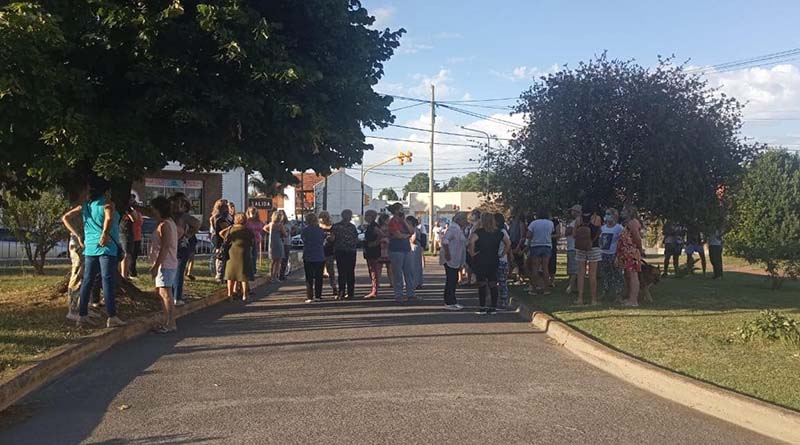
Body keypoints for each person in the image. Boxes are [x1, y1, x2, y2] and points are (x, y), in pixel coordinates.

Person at [69, 179, 126, 327]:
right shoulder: (108, 204)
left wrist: (78, 235)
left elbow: (65, 218)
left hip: (90, 247)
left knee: (87, 280)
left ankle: (82, 315)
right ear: (107, 191)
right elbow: (109, 217)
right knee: (107, 281)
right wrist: (105, 234)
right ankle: (112, 316)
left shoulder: (86, 206)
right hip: (107, 247)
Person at [61, 183, 102, 322]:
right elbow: (65, 218)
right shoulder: (79, 206)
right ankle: (72, 309)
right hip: (78, 243)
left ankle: (85, 306)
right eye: (87, 190)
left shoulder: (89, 205)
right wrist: (77, 234)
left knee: (87, 275)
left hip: (87, 242)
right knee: (77, 274)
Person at [469, 212, 510, 315]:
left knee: (482, 283)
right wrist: (503, 253)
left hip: (481, 259)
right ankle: (493, 307)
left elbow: (471, 241)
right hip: (494, 259)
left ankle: (482, 307)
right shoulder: (498, 233)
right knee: (493, 283)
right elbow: (508, 243)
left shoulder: (479, 232)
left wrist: (472, 253)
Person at [149, 196, 178, 333]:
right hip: (166, 263)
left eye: (153, 209)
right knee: (162, 293)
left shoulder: (165, 225)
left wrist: (156, 266)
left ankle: (170, 323)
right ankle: (166, 320)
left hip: (165, 264)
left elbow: (165, 247)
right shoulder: (169, 223)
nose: (152, 212)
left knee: (166, 294)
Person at [170, 194, 200, 307]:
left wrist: (188, 235)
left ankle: (175, 296)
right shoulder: (178, 216)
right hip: (176, 245)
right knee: (175, 270)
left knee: (176, 270)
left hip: (178, 245)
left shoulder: (180, 216)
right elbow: (197, 223)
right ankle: (174, 296)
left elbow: (196, 224)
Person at [387, 203, 416, 302]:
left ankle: (411, 293)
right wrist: (406, 235)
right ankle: (399, 294)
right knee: (398, 273)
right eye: (400, 209)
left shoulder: (404, 221)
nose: (402, 211)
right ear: (396, 211)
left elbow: (412, 231)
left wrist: (404, 221)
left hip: (406, 249)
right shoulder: (392, 222)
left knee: (409, 272)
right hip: (396, 250)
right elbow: (397, 235)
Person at [223, 212, 254, 302]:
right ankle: (245, 295)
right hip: (244, 253)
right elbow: (252, 242)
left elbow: (223, 236)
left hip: (231, 253)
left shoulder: (231, 229)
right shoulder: (247, 231)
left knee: (231, 275)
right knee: (244, 275)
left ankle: (230, 295)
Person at [617, 205, 644, 307]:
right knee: (628, 275)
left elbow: (637, 238)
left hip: (631, 252)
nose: (622, 212)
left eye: (624, 210)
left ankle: (633, 300)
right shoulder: (627, 223)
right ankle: (630, 297)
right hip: (626, 253)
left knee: (633, 276)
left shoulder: (633, 222)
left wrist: (640, 250)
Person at [574, 211, 602, 305]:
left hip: (580, 247)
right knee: (592, 274)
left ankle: (580, 298)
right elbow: (599, 232)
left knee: (581, 273)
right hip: (593, 247)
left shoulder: (578, 219)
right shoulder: (597, 218)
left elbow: (574, 234)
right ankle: (593, 299)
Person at [440, 212, 467, 310]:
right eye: (464, 219)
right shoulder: (453, 229)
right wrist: (447, 253)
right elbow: (445, 241)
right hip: (450, 259)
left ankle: (453, 300)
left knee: (454, 279)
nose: (465, 221)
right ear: (459, 220)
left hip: (456, 258)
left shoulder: (459, 229)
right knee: (451, 279)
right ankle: (449, 301)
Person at [331, 209, 359, 300]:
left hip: (341, 251)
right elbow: (356, 238)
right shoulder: (352, 227)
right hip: (349, 251)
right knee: (350, 272)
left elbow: (332, 238)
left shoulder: (336, 226)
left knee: (342, 272)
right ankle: (350, 293)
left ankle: (341, 293)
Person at [526, 208, 555, 295]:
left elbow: (528, 235)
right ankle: (546, 289)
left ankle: (534, 289)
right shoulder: (550, 223)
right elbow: (551, 232)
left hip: (536, 245)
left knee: (535, 267)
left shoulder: (534, 223)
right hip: (547, 245)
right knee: (545, 267)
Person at [599, 208, 625, 302]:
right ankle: (605, 293)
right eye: (606, 214)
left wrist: (618, 256)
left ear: (614, 216)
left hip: (614, 254)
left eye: (609, 214)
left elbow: (622, 242)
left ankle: (619, 295)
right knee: (605, 275)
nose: (607, 216)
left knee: (617, 275)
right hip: (604, 254)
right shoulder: (602, 228)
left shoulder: (619, 228)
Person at [301, 213, 326, 303]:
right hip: (319, 255)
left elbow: (304, 240)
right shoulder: (320, 230)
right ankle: (318, 295)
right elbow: (322, 240)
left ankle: (310, 296)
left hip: (308, 255)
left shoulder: (305, 230)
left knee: (309, 277)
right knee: (319, 277)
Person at [210, 199, 232, 282]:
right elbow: (224, 228)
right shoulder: (219, 218)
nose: (227, 208)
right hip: (220, 240)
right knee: (221, 257)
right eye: (225, 207)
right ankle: (219, 275)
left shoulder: (226, 217)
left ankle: (222, 275)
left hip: (222, 240)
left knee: (223, 257)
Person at [494, 213, 512, 309]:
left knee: (502, 282)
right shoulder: (494, 231)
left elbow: (508, 243)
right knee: (493, 282)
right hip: (494, 260)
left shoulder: (502, 232)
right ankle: (495, 300)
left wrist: (503, 253)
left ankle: (504, 301)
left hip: (501, 260)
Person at [318, 211, 338, 296]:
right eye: (321, 217)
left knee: (331, 271)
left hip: (329, 250)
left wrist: (331, 238)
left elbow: (334, 238)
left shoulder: (332, 227)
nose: (323, 219)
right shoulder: (317, 227)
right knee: (318, 272)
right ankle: (318, 291)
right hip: (319, 251)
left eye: (324, 217)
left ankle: (334, 287)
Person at [362, 210, 381, 299]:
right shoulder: (370, 226)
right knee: (371, 270)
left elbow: (381, 234)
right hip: (369, 250)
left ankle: (374, 290)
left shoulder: (374, 226)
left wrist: (375, 242)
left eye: (367, 215)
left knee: (374, 270)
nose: (365, 217)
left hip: (373, 251)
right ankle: (374, 288)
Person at [564, 205, 582, 294]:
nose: (571, 213)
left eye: (573, 211)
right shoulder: (574, 221)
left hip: (573, 247)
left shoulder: (577, 221)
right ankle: (575, 287)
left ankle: (570, 286)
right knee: (572, 268)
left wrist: (569, 228)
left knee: (574, 268)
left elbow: (567, 232)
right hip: (571, 247)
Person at [266, 210, 287, 282]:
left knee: (272, 261)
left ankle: (271, 276)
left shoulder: (270, 224)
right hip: (278, 242)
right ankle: (275, 276)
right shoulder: (280, 225)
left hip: (271, 243)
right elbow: (285, 234)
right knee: (278, 261)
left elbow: (264, 228)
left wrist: (270, 233)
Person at [245, 207, 264, 277]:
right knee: (249, 256)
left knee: (254, 256)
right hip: (249, 241)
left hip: (256, 240)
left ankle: (254, 271)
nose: (253, 214)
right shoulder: (247, 221)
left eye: (254, 213)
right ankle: (249, 271)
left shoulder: (258, 221)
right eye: (252, 213)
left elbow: (262, 229)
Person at [376, 213, 394, 288]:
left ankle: (390, 282)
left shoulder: (387, 228)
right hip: (382, 248)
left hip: (386, 248)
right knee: (381, 267)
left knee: (388, 267)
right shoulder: (380, 228)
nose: (389, 220)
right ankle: (379, 283)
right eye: (387, 219)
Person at [407, 215, 425, 290]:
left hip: (414, 247)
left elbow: (413, 239)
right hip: (417, 246)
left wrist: (407, 239)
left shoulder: (413, 229)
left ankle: (414, 283)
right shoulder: (417, 229)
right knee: (417, 265)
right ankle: (418, 282)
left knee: (413, 266)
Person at [129, 195, 143, 278]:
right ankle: (131, 272)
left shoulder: (138, 211)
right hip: (132, 235)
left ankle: (133, 271)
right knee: (131, 255)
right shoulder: (130, 211)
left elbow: (140, 222)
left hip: (138, 235)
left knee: (134, 256)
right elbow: (135, 220)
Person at [279, 212, 293, 281]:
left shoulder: (288, 223)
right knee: (279, 259)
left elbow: (292, 230)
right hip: (280, 242)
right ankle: (278, 273)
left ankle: (282, 274)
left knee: (285, 259)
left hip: (287, 242)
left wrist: (289, 232)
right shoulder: (278, 224)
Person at [548, 216, 561, 288]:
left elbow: (558, 234)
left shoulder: (555, 222)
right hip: (544, 244)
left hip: (552, 245)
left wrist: (549, 236)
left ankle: (552, 281)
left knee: (552, 262)